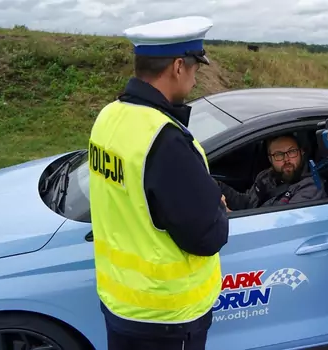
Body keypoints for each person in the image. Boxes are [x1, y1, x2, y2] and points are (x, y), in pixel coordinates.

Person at [87, 16, 228, 350]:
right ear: (179, 66)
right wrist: (217, 211)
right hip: (167, 316)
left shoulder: (109, 116)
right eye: (195, 68)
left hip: (120, 303)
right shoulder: (165, 139)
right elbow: (206, 237)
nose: (195, 79)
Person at [218, 133, 326, 210]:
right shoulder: (266, 176)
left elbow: (277, 224)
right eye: (279, 154)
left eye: (292, 152)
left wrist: (227, 214)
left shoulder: (311, 186)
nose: (286, 159)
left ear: (301, 152)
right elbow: (248, 202)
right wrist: (217, 187)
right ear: (270, 159)